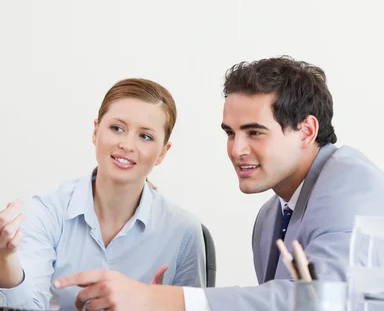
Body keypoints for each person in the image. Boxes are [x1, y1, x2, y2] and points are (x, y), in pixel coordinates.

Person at [54, 56, 384, 311]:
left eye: (254, 132)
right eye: (230, 132)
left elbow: (325, 299)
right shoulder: (270, 217)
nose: (236, 149)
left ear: (306, 131)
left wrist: (162, 299)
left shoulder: (352, 182)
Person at [0, 78, 207, 310]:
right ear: (95, 131)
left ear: (162, 153)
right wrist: (4, 258)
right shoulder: (48, 211)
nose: (127, 145)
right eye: (117, 128)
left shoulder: (184, 232)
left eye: (145, 136)